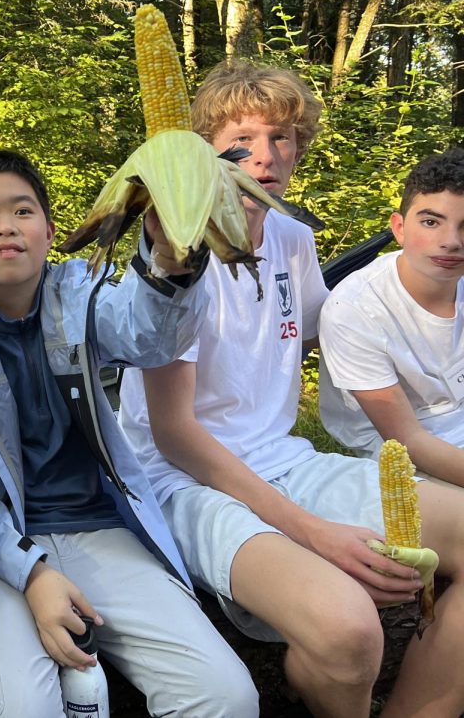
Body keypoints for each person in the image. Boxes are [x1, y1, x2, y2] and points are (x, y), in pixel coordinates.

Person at [118, 61, 464, 718]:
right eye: (242, 140)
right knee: (349, 629)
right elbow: (175, 436)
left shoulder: (293, 240)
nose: (266, 156)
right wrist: (314, 532)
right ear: (207, 150)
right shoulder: (174, 250)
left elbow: (324, 333)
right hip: (180, 480)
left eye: (282, 138)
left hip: (282, 459)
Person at [0, 150, 257, 718]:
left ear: (51, 232)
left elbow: (149, 338)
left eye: (22, 211)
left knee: (223, 696)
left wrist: (171, 258)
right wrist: (30, 571)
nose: (6, 225)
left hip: (98, 531)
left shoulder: (81, 292)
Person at [320, 149, 464, 484]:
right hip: (403, 451)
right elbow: (407, 440)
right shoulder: (355, 309)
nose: (451, 242)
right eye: (431, 222)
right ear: (398, 227)